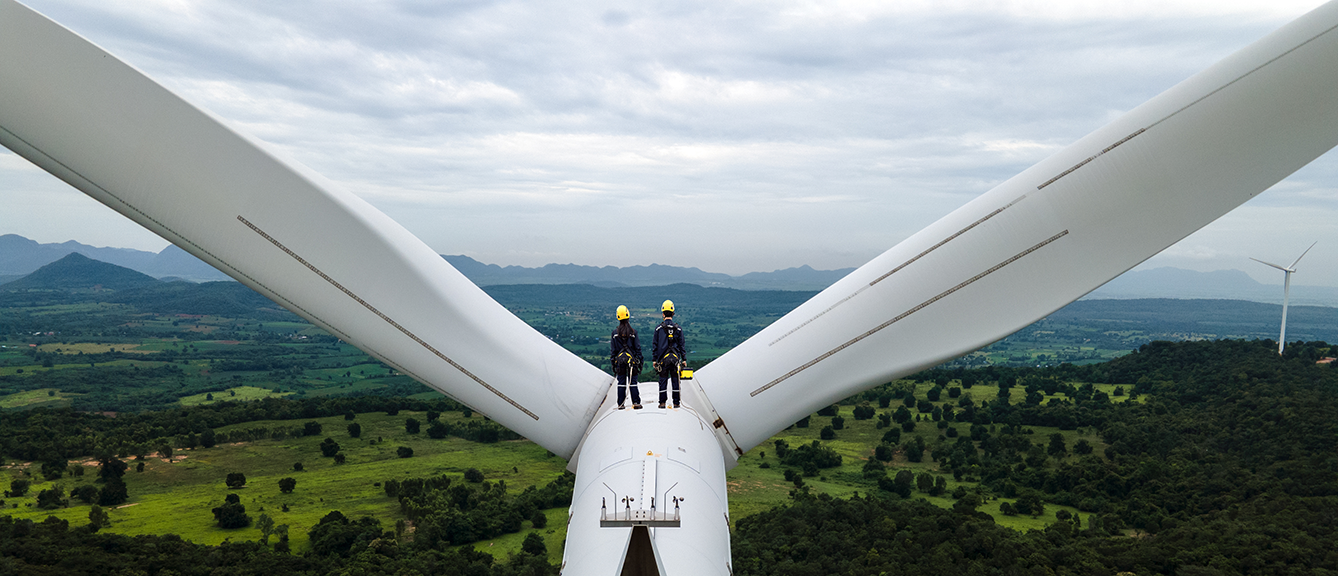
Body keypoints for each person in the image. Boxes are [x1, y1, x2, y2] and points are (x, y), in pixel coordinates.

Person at [652, 299, 686, 409]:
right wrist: (684, 359)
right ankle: (676, 402)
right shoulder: (678, 329)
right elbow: (682, 345)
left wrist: (654, 359)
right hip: (675, 359)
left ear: (663, 313)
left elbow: (655, 345)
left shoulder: (658, 328)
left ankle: (662, 402)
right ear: (673, 313)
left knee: (663, 380)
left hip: (663, 360)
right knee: (675, 381)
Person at [610, 305, 643, 410]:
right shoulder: (633, 333)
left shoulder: (615, 334)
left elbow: (613, 350)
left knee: (621, 383)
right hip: (631, 362)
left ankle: (621, 404)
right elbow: (637, 348)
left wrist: (613, 363)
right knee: (632, 382)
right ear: (628, 316)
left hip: (620, 362)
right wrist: (640, 362)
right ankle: (636, 402)